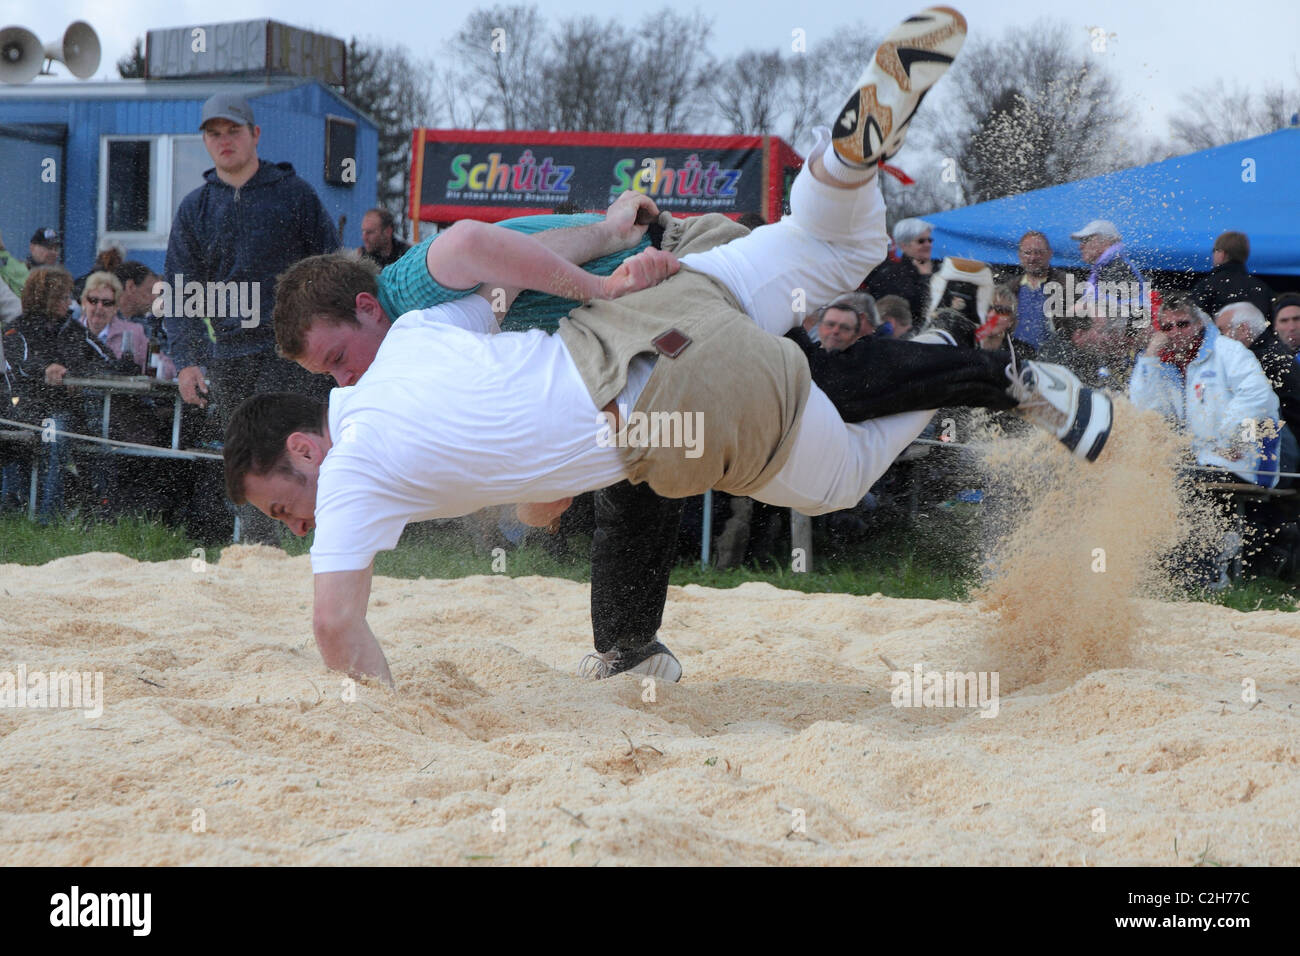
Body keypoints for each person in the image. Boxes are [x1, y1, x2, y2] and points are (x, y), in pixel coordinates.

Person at [220, 7, 1116, 686]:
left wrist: (600, 273)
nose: (288, 526)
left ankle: (960, 359)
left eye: (279, 505)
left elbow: (339, 624)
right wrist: (607, 268)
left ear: (308, 444)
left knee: (833, 472)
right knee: (841, 249)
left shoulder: (393, 347)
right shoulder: (418, 338)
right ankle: (842, 169)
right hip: (669, 287)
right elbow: (497, 297)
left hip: (664, 374)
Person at [164, 92, 342, 542]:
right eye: (214, 134)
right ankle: (263, 554)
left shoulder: (295, 196)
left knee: (289, 452)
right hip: (230, 355)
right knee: (246, 459)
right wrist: (187, 359)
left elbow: (331, 270)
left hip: (293, 352)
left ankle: (328, 541)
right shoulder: (195, 209)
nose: (224, 142)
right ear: (205, 142)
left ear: (255, 135)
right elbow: (183, 292)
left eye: (233, 132)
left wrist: (333, 345)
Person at [1130, 291, 1282, 487]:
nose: (1176, 332)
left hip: (1240, 461)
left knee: (1186, 489)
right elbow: (1144, 410)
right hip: (1197, 465)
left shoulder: (1228, 351)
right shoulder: (1164, 367)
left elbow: (1259, 396)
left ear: (1198, 323)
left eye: (1183, 324)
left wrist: (1230, 439)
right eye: (1168, 327)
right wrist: (1150, 357)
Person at [1191, 231, 1274, 319]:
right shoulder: (1261, 288)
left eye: (1214, 251)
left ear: (1221, 254)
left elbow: (1197, 320)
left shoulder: (1207, 286)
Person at [1007, 230, 1068, 350]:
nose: (1032, 258)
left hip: (1053, 358)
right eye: (1027, 253)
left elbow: (1075, 327)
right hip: (1017, 355)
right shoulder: (1010, 288)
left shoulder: (1064, 284)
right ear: (1020, 255)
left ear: (1050, 254)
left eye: (1038, 252)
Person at [865, 217, 934, 321]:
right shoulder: (891, 274)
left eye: (930, 240)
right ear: (904, 246)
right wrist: (925, 278)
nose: (928, 245)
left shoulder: (938, 268)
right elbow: (916, 307)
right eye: (921, 241)